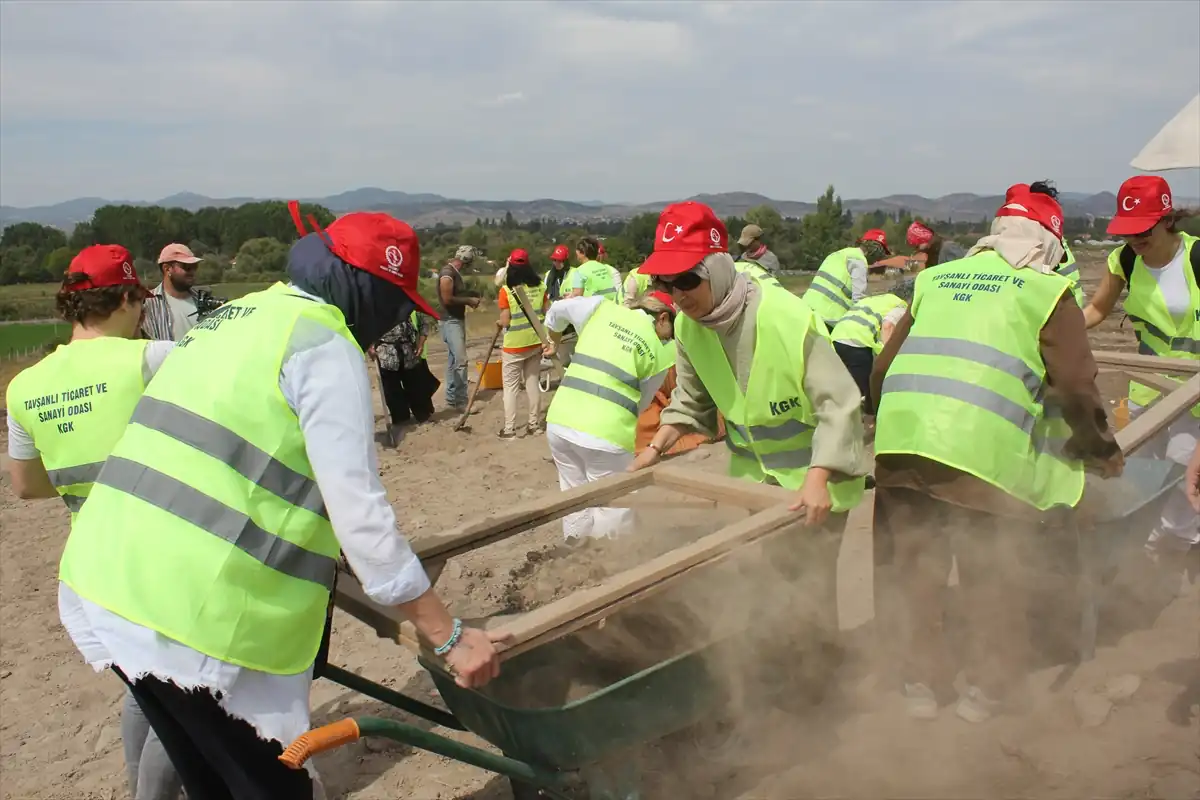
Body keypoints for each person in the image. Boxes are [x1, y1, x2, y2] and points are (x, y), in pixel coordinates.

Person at [54, 208, 506, 798]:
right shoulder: (321, 341)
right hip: (191, 619)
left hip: (106, 583)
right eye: (392, 302)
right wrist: (449, 637)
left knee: (207, 781)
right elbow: (361, 513)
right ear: (365, 292)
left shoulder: (241, 314)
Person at [871, 187, 1122, 724]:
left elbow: (883, 367)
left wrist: (889, 417)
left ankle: (919, 684)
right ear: (1050, 242)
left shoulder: (935, 279)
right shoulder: (1046, 291)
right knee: (992, 575)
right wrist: (1099, 451)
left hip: (900, 439)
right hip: (980, 452)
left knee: (915, 568)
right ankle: (984, 695)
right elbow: (1076, 386)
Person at [633, 202, 869, 697]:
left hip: (814, 488)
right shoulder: (689, 326)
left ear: (717, 268)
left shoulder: (786, 317)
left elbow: (840, 403)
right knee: (765, 589)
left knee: (811, 594)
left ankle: (821, 692)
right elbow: (691, 401)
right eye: (668, 285)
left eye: (686, 281)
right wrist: (655, 448)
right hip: (754, 491)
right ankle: (778, 681)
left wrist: (819, 477)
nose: (677, 296)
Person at [4, 244, 183, 800]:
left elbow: (27, 486)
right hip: (167, 555)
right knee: (183, 699)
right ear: (128, 298)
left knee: (142, 689)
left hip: (91, 561)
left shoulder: (25, 386)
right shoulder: (154, 359)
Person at [1082, 175, 1199, 573]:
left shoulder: (1195, 260)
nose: (1134, 239)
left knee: (1185, 483)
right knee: (1135, 480)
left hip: (1195, 395)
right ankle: (1141, 563)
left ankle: (1164, 569)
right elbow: (1097, 311)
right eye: (1127, 231)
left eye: (1142, 229)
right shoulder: (1124, 260)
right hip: (1148, 389)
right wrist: (1054, 331)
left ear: (1167, 219)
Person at [543, 290, 677, 540]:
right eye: (673, 325)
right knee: (613, 505)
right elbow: (640, 403)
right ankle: (607, 564)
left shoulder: (600, 308)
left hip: (560, 421)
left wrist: (554, 337)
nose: (672, 335)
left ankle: (574, 551)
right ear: (661, 318)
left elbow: (558, 309)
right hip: (607, 434)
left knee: (574, 496)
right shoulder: (662, 352)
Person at [829, 279, 914, 415]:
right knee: (866, 388)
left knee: (844, 385)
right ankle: (868, 420)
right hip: (857, 342)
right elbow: (887, 326)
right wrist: (887, 355)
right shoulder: (900, 305)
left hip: (837, 337)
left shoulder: (876, 299)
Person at [497, 248, 549, 440]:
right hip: (535, 342)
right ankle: (534, 424)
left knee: (510, 388)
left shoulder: (506, 291)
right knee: (532, 382)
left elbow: (505, 321)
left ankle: (510, 428)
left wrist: (500, 322)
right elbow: (546, 311)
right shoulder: (540, 287)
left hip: (513, 346)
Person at [371, 309, 439, 432]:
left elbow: (423, 322)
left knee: (416, 386)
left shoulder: (405, 301)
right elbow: (365, 326)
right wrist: (370, 347)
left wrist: (421, 343)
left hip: (408, 350)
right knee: (392, 390)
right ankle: (401, 421)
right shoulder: (374, 302)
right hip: (386, 352)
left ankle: (423, 416)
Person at [802, 229, 886, 329]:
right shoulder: (859, 261)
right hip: (827, 318)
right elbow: (859, 300)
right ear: (875, 250)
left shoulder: (840, 254)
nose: (878, 260)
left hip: (805, 310)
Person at [439, 244, 483, 410]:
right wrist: (469, 301)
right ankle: (462, 401)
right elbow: (447, 299)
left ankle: (452, 398)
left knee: (453, 360)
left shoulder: (453, 273)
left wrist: (470, 294)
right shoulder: (447, 274)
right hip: (450, 321)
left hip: (454, 319)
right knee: (461, 361)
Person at [141, 243, 205, 341]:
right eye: (187, 267)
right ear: (167, 269)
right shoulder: (148, 304)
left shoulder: (203, 301)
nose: (192, 272)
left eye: (195, 267)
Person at [543, 244, 579, 368]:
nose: (557, 263)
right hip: (555, 318)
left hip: (571, 321)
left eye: (560, 261)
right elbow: (545, 295)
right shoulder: (549, 275)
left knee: (572, 356)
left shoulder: (575, 273)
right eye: (555, 260)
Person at [568, 236, 622, 302]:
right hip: (611, 305)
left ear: (583, 253)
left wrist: (567, 298)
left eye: (577, 251)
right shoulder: (606, 268)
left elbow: (576, 297)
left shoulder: (580, 271)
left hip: (593, 307)